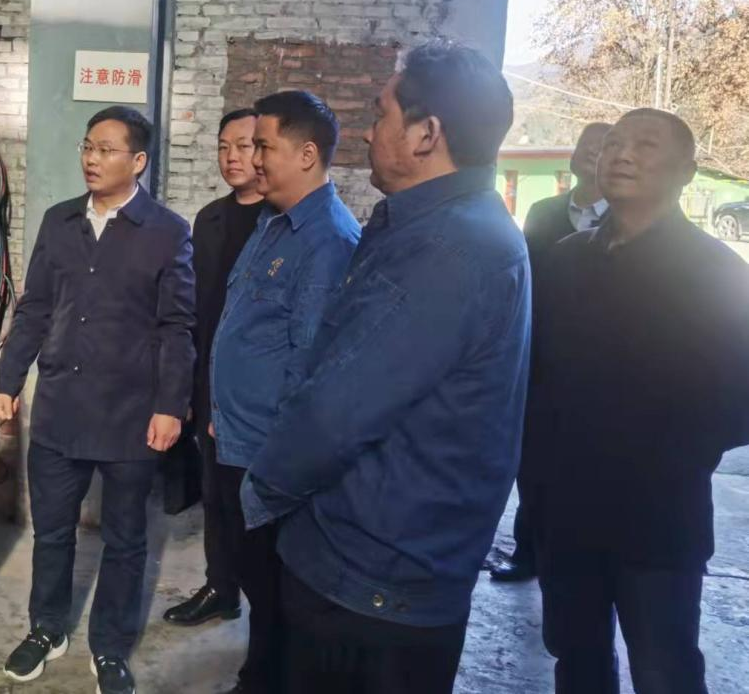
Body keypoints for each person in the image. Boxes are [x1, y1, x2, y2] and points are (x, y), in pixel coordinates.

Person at [242, 42, 530, 694]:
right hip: (386, 565)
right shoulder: (446, 227)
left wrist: (264, 489)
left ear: (427, 134)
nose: (369, 133)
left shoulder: (450, 250)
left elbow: (338, 411)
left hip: (371, 579)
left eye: (381, 114)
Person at [524, 108, 749, 694]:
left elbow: (739, 401)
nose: (621, 155)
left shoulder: (716, 272)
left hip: (657, 517)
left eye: (645, 145)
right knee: (576, 661)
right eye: (614, 143)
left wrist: (664, 451)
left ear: (686, 172)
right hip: (566, 511)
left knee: (664, 668)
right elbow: (536, 376)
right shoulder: (565, 261)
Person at [0, 106, 195, 694]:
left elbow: (177, 326)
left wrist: (170, 405)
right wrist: (8, 380)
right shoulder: (59, 222)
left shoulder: (166, 231)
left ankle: (109, 646)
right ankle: (46, 628)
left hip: (131, 414)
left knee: (125, 539)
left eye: (106, 149)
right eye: (87, 146)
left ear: (138, 161)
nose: (91, 158)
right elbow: (35, 308)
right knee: (53, 533)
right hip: (61, 405)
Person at [205, 90, 360, 694]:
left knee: (278, 591)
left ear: (307, 154)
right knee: (256, 581)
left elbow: (310, 368)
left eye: (263, 147)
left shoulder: (328, 241)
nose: (253, 159)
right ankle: (259, 674)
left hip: (269, 455)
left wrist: (276, 458)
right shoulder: (274, 222)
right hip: (236, 436)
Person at [488, 120, 611, 583]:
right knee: (533, 462)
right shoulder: (543, 212)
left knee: (584, 471)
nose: (591, 152)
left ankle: (574, 560)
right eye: (586, 144)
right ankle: (527, 552)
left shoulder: (624, 220)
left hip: (597, 367)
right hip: (540, 356)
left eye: (603, 147)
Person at [163, 107, 263, 629]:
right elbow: (195, 309)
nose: (232, 157)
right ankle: (221, 587)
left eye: (244, 145)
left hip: (256, 391)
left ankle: (266, 603)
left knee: (253, 500)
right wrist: (186, 390)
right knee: (216, 493)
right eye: (223, 147)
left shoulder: (282, 220)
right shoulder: (210, 219)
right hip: (209, 381)